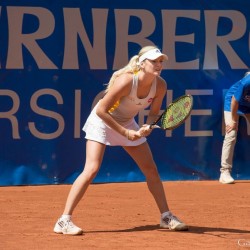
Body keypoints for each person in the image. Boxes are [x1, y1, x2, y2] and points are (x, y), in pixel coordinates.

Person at [53, 46, 188, 235]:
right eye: (154, 61)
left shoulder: (161, 85)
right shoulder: (126, 81)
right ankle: (63, 220)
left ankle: (166, 216)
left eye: (161, 62)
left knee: (150, 169)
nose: (158, 65)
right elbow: (101, 110)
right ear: (142, 64)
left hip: (126, 122)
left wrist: (147, 127)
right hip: (101, 121)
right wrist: (125, 133)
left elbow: (153, 113)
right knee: (91, 169)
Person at [219, 71, 250, 184]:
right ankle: (224, 172)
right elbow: (234, 101)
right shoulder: (247, 82)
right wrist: (233, 120)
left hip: (248, 104)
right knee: (231, 133)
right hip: (233, 101)